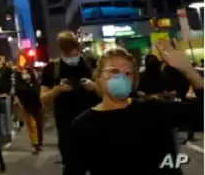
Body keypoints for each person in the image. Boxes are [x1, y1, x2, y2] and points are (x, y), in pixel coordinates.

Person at [71, 42, 203, 174]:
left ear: (134, 81)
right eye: (113, 71)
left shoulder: (154, 110)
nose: (120, 77)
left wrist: (189, 72)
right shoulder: (84, 125)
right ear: (98, 78)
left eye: (127, 73)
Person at [39, 31, 98, 174]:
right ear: (61, 50)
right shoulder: (52, 69)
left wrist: (94, 86)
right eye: (68, 51)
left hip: (93, 123)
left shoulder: (91, 65)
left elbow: (106, 91)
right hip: (67, 127)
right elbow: (43, 97)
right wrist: (58, 89)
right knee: (72, 168)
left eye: (75, 49)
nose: (73, 54)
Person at [13, 65, 43, 154]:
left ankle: (39, 143)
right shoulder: (20, 85)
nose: (25, 75)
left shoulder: (35, 84)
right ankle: (35, 144)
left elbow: (37, 94)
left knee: (38, 126)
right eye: (23, 73)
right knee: (31, 126)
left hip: (37, 107)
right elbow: (18, 94)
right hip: (27, 108)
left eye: (27, 73)